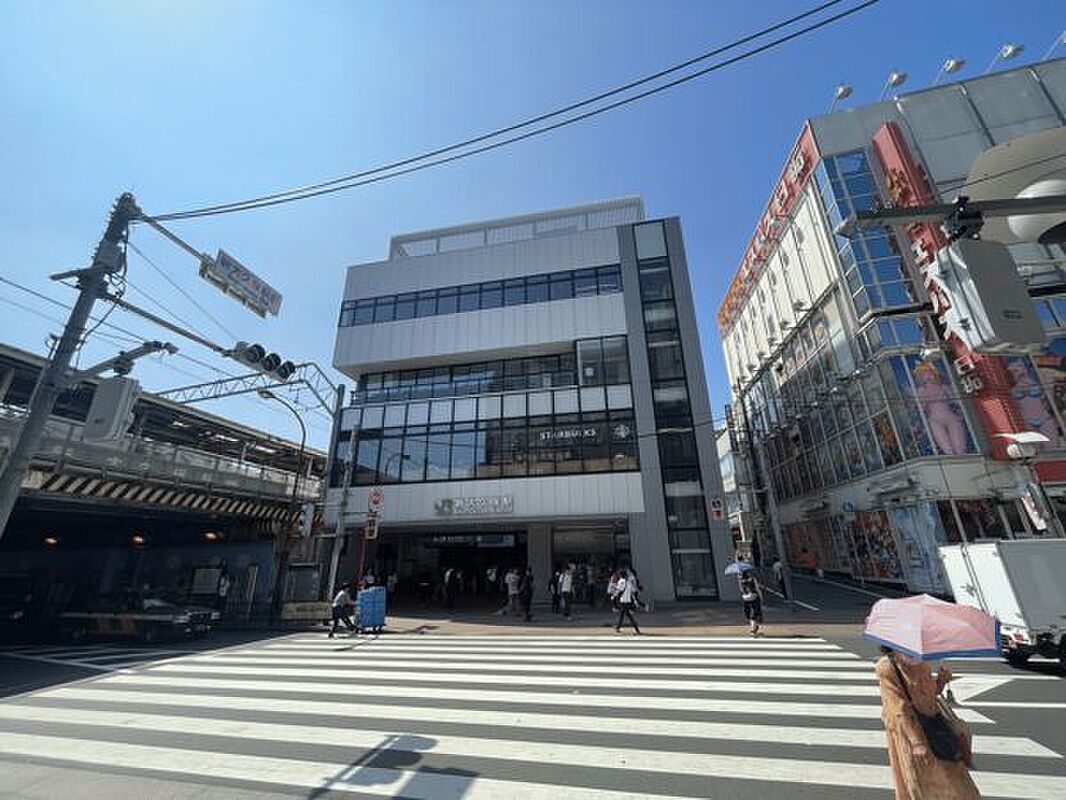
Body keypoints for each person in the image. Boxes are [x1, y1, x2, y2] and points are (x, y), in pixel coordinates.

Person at [875, 646, 979, 800]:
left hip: (935, 727)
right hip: (911, 734)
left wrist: (941, 681)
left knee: (959, 784)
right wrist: (917, 743)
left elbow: (930, 693)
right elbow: (899, 709)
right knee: (923, 786)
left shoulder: (921, 662)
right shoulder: (887, 667)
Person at [615, 568, 641, 634]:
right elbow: (632, 591)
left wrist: (614, 596)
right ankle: (618, 627)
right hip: (628, 600)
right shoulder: (629, 582)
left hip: (622, 600)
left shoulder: (621, 581)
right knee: (622, 614)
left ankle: (636, 628)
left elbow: (619, 590)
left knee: (628, 615)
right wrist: (635, 600)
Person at [738, 568, 763, 636]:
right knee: (755, 613)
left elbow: (741, 590)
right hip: (754, 597)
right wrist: (761, 596)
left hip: (746, 598)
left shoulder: (740, 581)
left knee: (748, 613)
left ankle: (753, 628)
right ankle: (754, 628)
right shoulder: (752, 579)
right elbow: (757, 588)